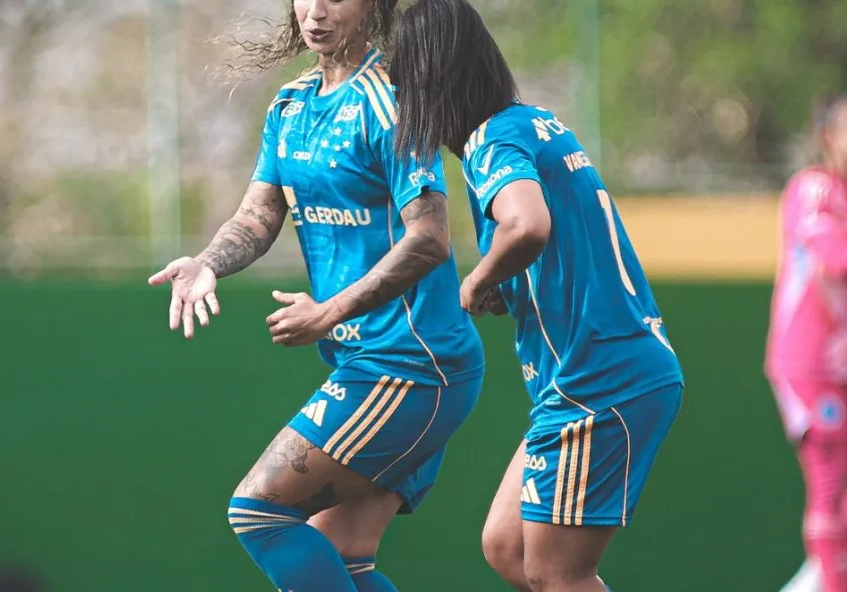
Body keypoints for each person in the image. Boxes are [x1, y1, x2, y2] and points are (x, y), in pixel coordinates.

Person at [148, 1, 485, 590]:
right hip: (374, 362)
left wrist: (328, 312)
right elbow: (257, 216)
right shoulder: (291, 104)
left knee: (257, 512)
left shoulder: (392, 102)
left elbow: (429, 239)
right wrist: (207, 263)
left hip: (413, 363)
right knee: (343, 554)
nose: (317, 10)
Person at [389, 1, 684, 590]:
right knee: (508, 546)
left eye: (404, 87)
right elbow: (557, 242)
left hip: (599, 379)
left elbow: (527, 225)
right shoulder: (535, 123)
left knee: (555, 570)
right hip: (598, 371)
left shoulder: (490, 142)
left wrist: (478, 279)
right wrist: (511, 282)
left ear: (430, 79)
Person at [765, 94, 847, 592]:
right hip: (807, 362)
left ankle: (816, 576)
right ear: (828, 138)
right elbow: (836, 259)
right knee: (827, 482)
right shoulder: (813, 188)